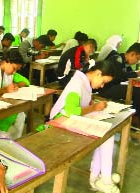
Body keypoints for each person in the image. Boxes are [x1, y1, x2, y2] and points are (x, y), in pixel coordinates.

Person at [49, 61, 119, 193]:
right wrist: (93, 107)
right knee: (105, 134)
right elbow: (71, 111)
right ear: (98, 73)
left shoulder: (84, 81)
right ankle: (102, 180)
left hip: (69, 121)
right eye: (103, 81)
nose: (102, 85)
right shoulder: (78, 83)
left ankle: (99, 178)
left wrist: (91, 103)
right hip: (60, 123)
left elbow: (81, 102)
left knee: (106, 134)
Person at [99, 42, 140, 128]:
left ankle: (136, 116)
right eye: (138, 59)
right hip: (106, 89)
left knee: (138, 91)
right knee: (139, 92)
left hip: (114, 87)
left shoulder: (125, 63)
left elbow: (128, 75)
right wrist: (137, 74)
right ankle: (136, 119)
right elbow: (120, 76)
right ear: (132, 54)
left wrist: (136, 74)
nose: (137, 61)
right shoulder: (117, 59)